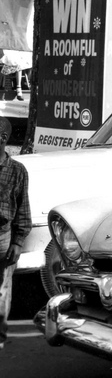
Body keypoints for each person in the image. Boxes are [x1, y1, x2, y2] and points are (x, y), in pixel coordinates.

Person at [0, 117, 30, 351]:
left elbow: (23, 208)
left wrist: (18, 241)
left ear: (3, 138)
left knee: (2, 288)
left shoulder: (17, 171)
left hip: (2, 236)